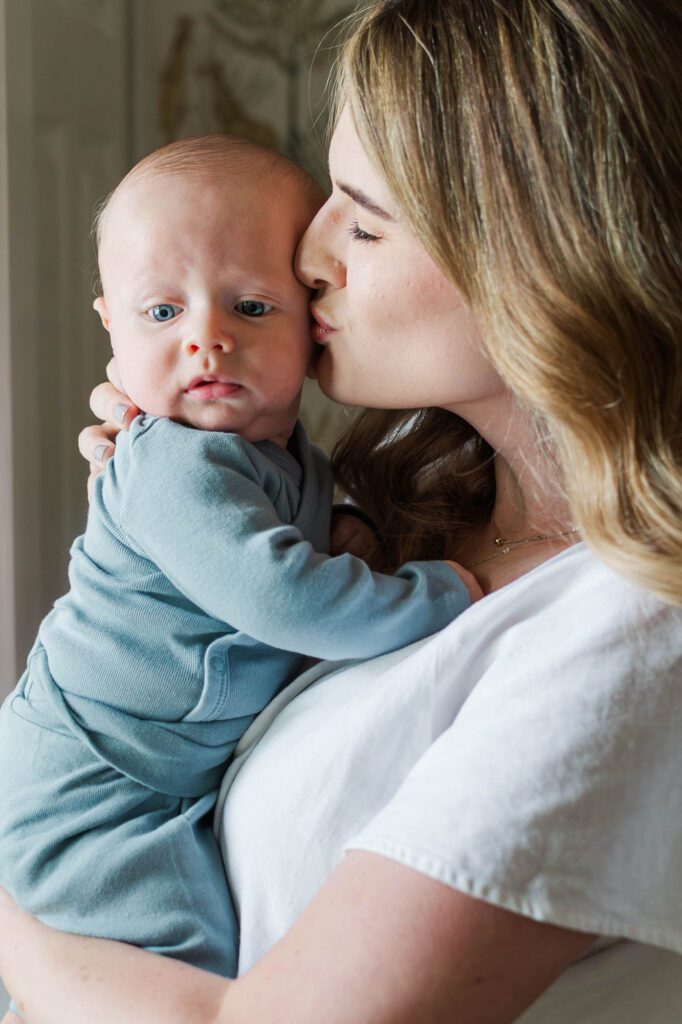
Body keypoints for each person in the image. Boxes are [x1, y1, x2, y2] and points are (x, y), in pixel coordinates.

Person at [1, 0, 681, 1021]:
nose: (305, 253)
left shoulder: (629, 632)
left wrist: (15, 915)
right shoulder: (416, 484)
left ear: (539, 259)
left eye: (362, 220)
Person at [0, 134, 477, 990]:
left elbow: (282, 541)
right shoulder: (171, 464)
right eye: (161, 314)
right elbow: (280, 596)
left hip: (152, 769)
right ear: (111, 326)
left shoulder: (285, 453)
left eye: (252, 308)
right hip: (100, 776)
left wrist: (348, 532)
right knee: (172, 961)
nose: (206, 341)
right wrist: (435, 596)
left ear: (310, 318)